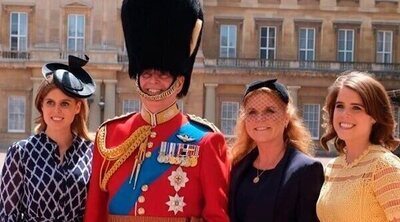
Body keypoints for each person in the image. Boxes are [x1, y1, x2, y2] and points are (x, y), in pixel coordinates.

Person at [84, 0, 230, 221]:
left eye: (163, 74)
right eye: (146, 74)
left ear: (179, 82)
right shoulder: (109, 136)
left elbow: (216, 215)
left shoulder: (205, 141)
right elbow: (95, 212)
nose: (153, 81)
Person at [0, 55, 96, 221]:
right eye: (50, 102)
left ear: (77, 107)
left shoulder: (91, 153)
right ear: (41, 106)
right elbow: (7, 215)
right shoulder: (21, 153)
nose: (56, 110)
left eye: (65, 103)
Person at [229, 79, 325, 222]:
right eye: (252, 112)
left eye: (270, 111)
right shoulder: (237, 167)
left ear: (286, 118)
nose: (260, 118)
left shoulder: (307, 170)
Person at [317, 71, 400, 221]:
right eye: (340, 106)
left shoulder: (385, 167)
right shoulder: (333, 167)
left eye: (356, 108)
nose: (345, 114)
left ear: (374, 116)